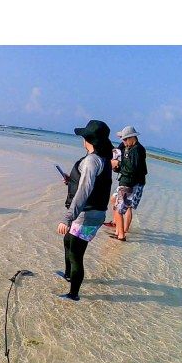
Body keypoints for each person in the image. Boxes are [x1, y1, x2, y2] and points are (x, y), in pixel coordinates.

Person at [56, 120, 113, 301]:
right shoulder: (100, 158)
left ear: (88, 139)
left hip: (86, 216)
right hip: (90, 214)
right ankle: (68, 274)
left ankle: (74, 294)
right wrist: (70, 179)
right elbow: (87, 184)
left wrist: (67, 219)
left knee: (76, 254)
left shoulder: (92, 160)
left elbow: (84, 192)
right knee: (68, 242)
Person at [110, 125, 147, 240]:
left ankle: (121, 233)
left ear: (133, 137)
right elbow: (128, 166)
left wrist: (118, 165)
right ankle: (119, 230)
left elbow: (132, 168)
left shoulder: (136, 150)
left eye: (125, 139)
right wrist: (117, 167)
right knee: (118, 206)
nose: (124, 141)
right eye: (123, 139)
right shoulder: (130, 148)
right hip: (129, 181)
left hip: (131, 183)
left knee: (121, 208)